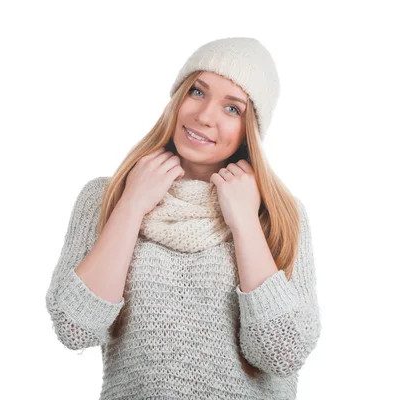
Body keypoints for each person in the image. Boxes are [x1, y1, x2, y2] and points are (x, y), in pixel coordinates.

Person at [44, 37, 321, 400]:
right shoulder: (105, 198)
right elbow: (75, 328)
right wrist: (132, 205)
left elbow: (282, 353)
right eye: (197, 91)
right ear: (177, 98)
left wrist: (245, 223)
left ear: (250, 129)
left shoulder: (280, 213)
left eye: (232, 109)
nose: (205, 116)